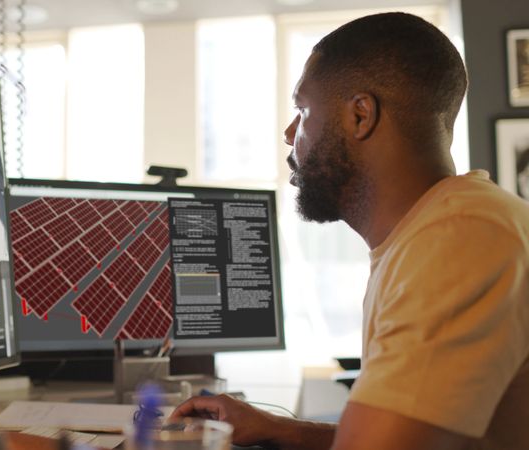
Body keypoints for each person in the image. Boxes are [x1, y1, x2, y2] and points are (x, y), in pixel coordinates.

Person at [171, 12, 529, 450]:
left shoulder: (458, 238)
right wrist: (286, 430)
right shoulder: (434, 230)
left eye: (302, 110)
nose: (288, 134)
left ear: (361, 115)